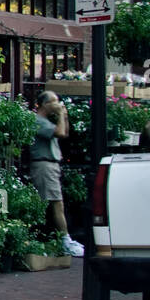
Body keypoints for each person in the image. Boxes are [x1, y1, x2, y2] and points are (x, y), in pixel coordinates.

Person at [29, 91, 84, 257]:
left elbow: (64, 133)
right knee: (55, 203)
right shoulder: (37, 120)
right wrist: (61, 114)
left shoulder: (45, 121)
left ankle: (54, 240)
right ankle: (65, 240)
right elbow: (59, 133)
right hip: (44, 166)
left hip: (51, 166)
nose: (58, 104)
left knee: (52, 204)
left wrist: (64, 116)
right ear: (44, 104)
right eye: (54, 101)